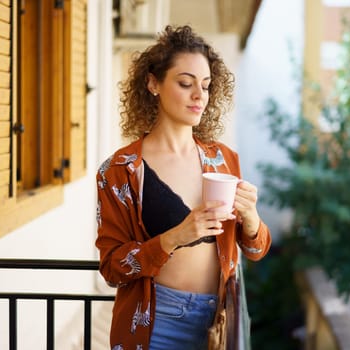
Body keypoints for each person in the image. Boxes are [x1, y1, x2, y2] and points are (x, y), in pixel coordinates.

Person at [95, 25, 272, 350]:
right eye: (185, 83)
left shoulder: (224, 160)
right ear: (153, 83)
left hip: (217, 324)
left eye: (205, 86)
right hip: (156, 324)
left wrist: (251, 217)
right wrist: (175, 237)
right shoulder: (120, 170)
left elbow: (257, 250)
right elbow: (111, 270)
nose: (198, 96)